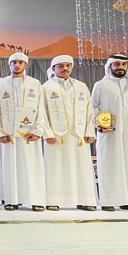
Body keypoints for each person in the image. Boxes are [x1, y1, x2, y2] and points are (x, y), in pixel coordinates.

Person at [92, 55, 128, 211]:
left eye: (123, 64)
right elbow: (93, 108)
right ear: (110, 66)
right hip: (110, 134)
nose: (120, 67)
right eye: (117, 64)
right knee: (111, 165)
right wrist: (98, 124)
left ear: (127, 66)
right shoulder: (101, 85)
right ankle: (109, 201)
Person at [42, 55, 97, 211]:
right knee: (55, 168)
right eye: (61, 66)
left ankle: (84, 200)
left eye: (68, 65)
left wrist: (89, 131)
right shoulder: (46, 87)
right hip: (56, 137)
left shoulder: (81, 86)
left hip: (79, 136)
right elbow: (41, 113)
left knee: (82, 168)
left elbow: (90, 111)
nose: (65, 68)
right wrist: (47, 133)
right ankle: (53, 200)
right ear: (53, 68)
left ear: (72, 67)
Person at [0, 53, 48, 211]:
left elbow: (41, 108)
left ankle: (35, 200)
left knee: (32, 167)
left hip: (29, 134)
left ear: (26, 64)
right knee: (10, 167)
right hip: (9, 134)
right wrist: (0, 132)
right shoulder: (1, 84)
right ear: (9, 64)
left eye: (20, 62)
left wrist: (38, 131)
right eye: (14, 62)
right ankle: (11, 200)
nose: (17, 65)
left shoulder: (35, 83)